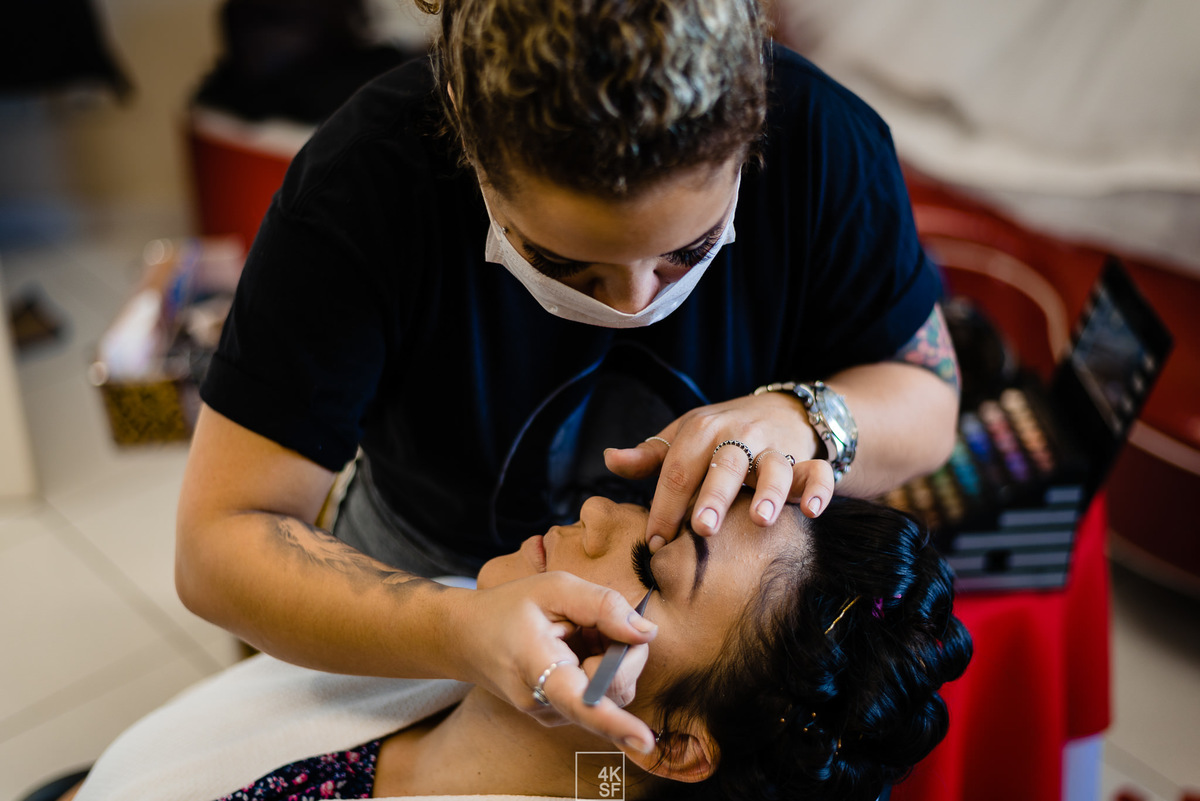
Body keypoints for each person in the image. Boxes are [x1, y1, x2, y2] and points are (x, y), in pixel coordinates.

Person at [175, 0, 961, 750]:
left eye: (686, 252)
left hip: (675, 657)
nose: (633, 302)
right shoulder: (361, 184)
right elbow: (219, 543)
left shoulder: (827, 142)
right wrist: (455, 625)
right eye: (566, 266)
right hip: (417, 582)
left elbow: (928, 404)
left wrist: (807, 416)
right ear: (466, 143)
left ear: (753, 132)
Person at [74, 491, 971, 801]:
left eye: (653, 563)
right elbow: (602, 779)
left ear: (676, 741)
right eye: (652, 501)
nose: (594, 514)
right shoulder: (482, 635)